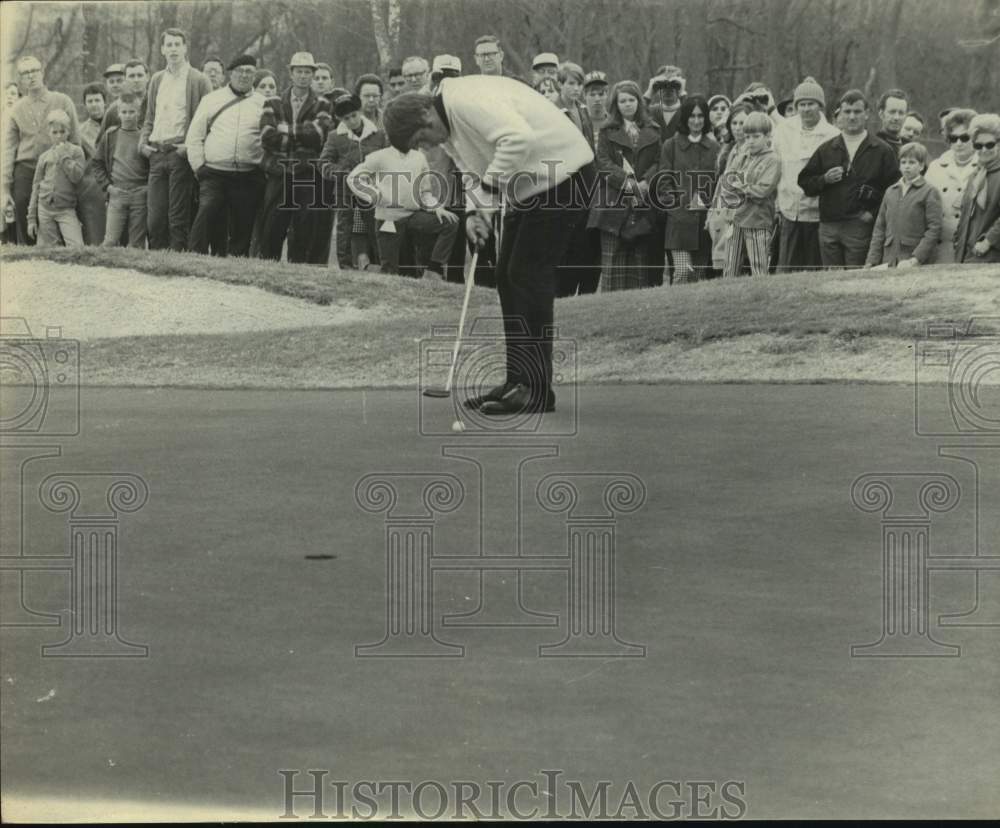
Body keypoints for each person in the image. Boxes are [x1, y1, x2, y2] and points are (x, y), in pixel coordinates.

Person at [382, 76, 595, 415]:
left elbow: (517, 138)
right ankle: (519, 380)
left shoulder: (466, 101)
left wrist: (490, 195)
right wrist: (472, 213)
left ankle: (537, 390)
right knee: (506, 276)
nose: (425, 146)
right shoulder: (446, 124)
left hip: (565, 176)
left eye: (422, 138)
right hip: (530, 186)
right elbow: (470, 169)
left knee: (527, 275)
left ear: (427, 114)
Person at [798, 89, 900, 269]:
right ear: (840, 114)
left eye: (857, 111)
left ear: (867, 114)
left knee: (856, 280)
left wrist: (873, 213)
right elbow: (805, 182)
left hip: (860, 226)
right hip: (829, 226)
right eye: (847, 111)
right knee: (832, 281)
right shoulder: (827, 149)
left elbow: (895, 191)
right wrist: (824, 180)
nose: (852, 117)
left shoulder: (882, 150)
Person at [140, 28, 213, 251]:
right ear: (162, 49)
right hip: (156, 154)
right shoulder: (156, 80)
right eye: (168, 45)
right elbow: (149, 117)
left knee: (177, 217)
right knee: (155, 218)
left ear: (184, 48)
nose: (173, 49)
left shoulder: (198, 80)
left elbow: (208, 121)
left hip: (179, 154)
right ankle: (155, 264)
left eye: (177, 44)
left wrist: (189, 148)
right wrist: (143, 144)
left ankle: (177, 265)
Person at [185, 54, 265, 257]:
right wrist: (199, 167)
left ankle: (236, 266)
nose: (244, 76)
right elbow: (194, 136)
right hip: (214, 173)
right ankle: (195, 258)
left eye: (249, 72)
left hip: (247, 175)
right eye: (239, 71)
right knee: (207, 213)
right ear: (231, 73)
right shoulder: (212, 99)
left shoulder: (263, 103)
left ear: (255, 75)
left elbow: (269, 139)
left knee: (243, 223)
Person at [258, 51, 333, 264]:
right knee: (272, 227)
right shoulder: (273, 102)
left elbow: (318, 136)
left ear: (312, 74)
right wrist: (301, 133)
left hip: (306, 174)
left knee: (304, 227)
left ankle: (296, 271)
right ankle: (267, 271)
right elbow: (266, 137)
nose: (303, 76)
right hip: (278, 173)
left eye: (307, 72)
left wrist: (285, 130)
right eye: (299, 71)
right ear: (291, 73)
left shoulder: (323, 104)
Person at [588, 80, 661, 292]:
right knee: (612, 267)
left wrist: (646, 182)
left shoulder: (653, 130)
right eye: (623, 101)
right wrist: (627, 183)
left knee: (639, 267)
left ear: (639, 102)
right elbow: (602, 162)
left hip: (643, 202)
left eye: (631, 100)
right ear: (616, 104)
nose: (627, 104)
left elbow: (659, 160)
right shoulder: (607, 130)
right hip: (613, 202)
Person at [346, 141, 458, 278]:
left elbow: (425, 192)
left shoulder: (419, 157)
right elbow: (353, 178)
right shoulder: (379, 156)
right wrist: (375, 195)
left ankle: (433, 271)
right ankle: (368, 268)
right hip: (388, 220)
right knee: (389, 273)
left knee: (450, 223)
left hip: (412, 217)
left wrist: (437, 207)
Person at [2, 55, 79, 245]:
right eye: (25, 73)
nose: (31, 76)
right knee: (21, 203)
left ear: (42, 72)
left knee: (57, 213)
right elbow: (8, 149)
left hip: (55, 166)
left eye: (34, 71)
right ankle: (27, 258)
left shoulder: (62, 100)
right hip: (26, 168)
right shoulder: (16, 109)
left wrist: (72, 166)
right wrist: (4, 187)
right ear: (20, 79)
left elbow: (76, 139)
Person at [772, 76, 840, 272]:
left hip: (817, 216)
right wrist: (777, 206)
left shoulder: (832, 135)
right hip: (788, 213)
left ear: (820, 106)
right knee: (785, 269)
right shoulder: (783, 130)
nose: (806, 109)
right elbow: (776, 168)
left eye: (811, 104)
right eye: (801, 104)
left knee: (812, 270)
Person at [320, 92, 387, 271]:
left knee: (375, 225)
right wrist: (342, 173)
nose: (352, 121)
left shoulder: (378, 135)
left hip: (370, 189)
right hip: (344, 189)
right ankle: (345, 266)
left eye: (354, 115)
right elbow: (324, 163)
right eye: (346, 118)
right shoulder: (335, 136)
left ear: (360, 111)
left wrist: (377, 176)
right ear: (340, 119)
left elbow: (388, 161)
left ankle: (382, 264)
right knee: (344, 227)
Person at [659, 95, 719, 283]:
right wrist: (675, 208)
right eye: (692, 116)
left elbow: (718, 183)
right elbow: (663, 182)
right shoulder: (671, 145)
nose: (696, 121)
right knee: (683, 273)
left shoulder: (715, 147)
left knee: (698, 276)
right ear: (684, 118)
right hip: (679, 224)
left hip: (704, 223)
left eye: (701, 116)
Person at [864, 141, 941, 269]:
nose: (907, 167)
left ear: (921, 166)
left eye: (912, 162)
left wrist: (916, 258)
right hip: (889, 258)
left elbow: (934, 229)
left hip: (914, 260)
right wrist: (871, 260)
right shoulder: (890, 191)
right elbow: (880, 228)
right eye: (903, 162)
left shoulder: (929, 191)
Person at [723, 111, 780, 278]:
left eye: (756, 136)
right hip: (736, 218)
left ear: (768, 135)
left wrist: (741, 187)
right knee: (730, 267)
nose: (751, 141)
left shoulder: (772, 159)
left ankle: (761, 299)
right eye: (747, 137)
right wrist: (737, 185)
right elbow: (728, 178)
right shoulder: (742, 156)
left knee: (758, 267)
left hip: (758, 220)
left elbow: (763, 190)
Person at [92, 93, 148, 248]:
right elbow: (97, 163)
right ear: (118, 113)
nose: (128, 116)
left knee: (136, 243)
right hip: (117, 194)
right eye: (124, 112)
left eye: (132, 112)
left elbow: (153, 165)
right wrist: (108, 187)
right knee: (110, 241)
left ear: (139, 112)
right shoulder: (111, 135)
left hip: (139, 194)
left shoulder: (144, 136)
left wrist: (147, 188)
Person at [925, 108, 978, 263]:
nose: (959, 143)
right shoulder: (935, 167)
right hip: (941, 248)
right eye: (954, 138)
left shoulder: (985, 167)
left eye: (964, 137)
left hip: (971, 247)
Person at [27, 110, 85, 246]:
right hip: (45, 208)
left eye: (62, 132)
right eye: (55, 132)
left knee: (77, 247)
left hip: (66, 208)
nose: (59, 136)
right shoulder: (44, 156)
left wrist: (64, 156)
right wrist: (31, 219)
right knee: (47, 250)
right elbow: (36, 187)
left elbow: (77, 177)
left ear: (68, 131)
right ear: (49, 133)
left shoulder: (76, 152)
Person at [708, 102, 752, 274]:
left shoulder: (755, 149)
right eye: (734, 123)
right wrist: (713, 211)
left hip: (744, 212)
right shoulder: (729, 150)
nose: (738, 128)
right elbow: (721, 184)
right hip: (723, 211)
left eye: (743, 123)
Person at [954, 113, 1000, 263]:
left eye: (990, 144)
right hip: (967, 256)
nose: (984, 149)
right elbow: (966, 213)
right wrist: (958, 240)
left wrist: (988, 241)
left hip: (992, 257)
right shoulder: (975, 175)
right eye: (978, 145)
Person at [76, 82, 109, 245]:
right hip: (92, 184)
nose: (94, 105)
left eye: (97, 100)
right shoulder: (80, 131)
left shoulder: (114, 124)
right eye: (90, 101)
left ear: (105, 102)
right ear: (85, 104)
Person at [100, 60, 149, 138]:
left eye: (140, 75)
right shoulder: (114, 109)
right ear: (125, 79)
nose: (136, 80)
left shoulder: (157, 103)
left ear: (147, 77)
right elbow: (101, 143)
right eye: (131, 76)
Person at [644, 65, 686, 138]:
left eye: (673, 83)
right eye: (662, 84)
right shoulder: (650, 111)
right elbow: (636, 114)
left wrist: (682, 93)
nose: (668, 88)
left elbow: (690, 112)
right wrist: (649, 92)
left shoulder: (689, 111)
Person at [876, 88, 908, 157]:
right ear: (881, 114)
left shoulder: (909, 147)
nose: (897, 117)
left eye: (901, 113)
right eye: (892, 112)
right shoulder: (874, 146)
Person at [582, 71, 611, 143]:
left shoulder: (614, 123)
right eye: (592, 95)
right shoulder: (579, 123)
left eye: (601, 94)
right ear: (584, 96)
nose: (597, 99)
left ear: (607, 95)